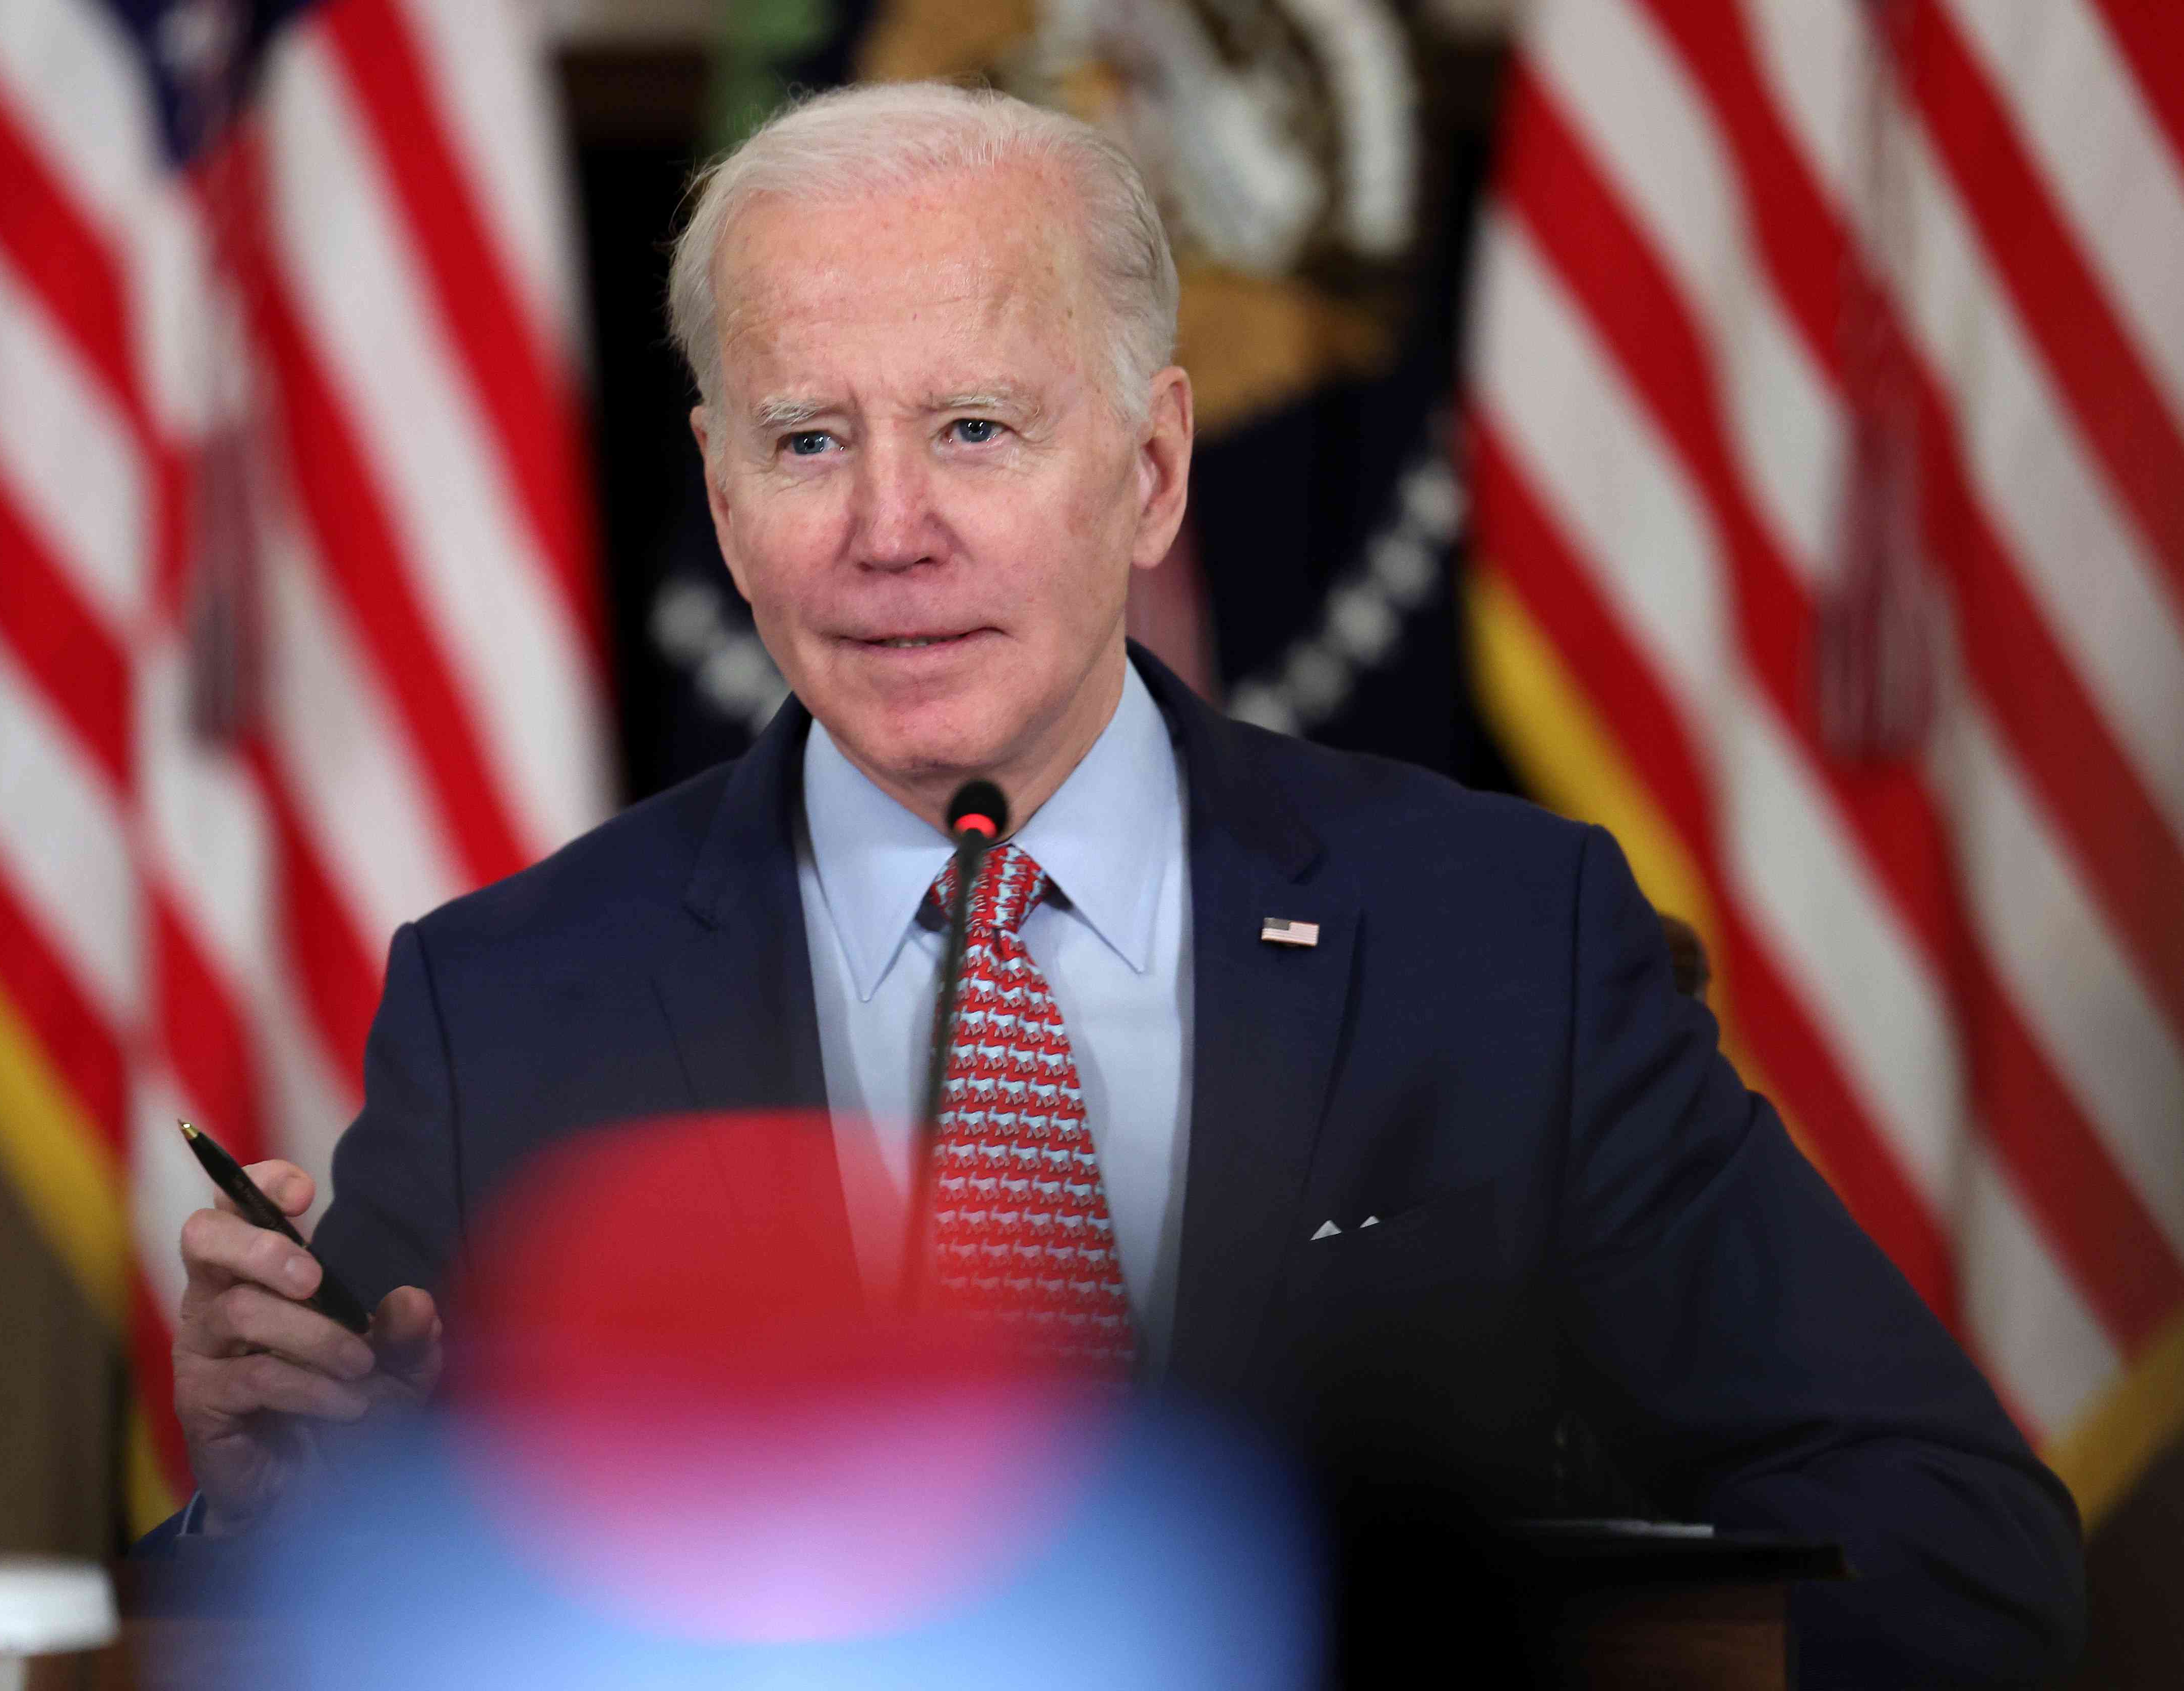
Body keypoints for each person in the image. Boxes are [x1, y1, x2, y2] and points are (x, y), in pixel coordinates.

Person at [154, 83, 2083, 1684]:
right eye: (809, 440)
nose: (890, 532)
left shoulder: (1504, 945)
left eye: (978, 431)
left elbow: (1957, 1534)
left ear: (1152, 469)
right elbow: (287, 1630)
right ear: (725, 497)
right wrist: (272, 1500)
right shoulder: (515, 1006)